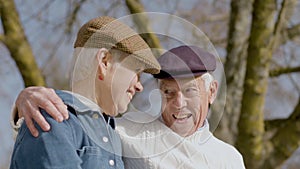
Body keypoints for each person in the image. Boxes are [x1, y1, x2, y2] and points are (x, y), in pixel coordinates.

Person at [11, 45, 245, 168]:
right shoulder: (125, 132)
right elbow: (70, 125)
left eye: (190, 91)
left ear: (211, 91)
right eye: (168, 92)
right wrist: (26, 98)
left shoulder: (229, 159)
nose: (179, 103)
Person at [9, 16, 162, 169]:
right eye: (136, 71)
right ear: (104, 62)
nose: (139, 86)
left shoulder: (113, 135)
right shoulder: (54, 118)